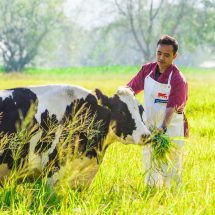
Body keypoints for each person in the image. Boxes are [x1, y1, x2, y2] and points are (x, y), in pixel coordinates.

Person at [127, 35, 188, 188]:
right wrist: (119, 97)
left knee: (171, 166)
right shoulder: (147, 70)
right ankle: (151, 193)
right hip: (150, 126)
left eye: (167, 55)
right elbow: (131, 89)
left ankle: (171, 197)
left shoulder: (178, 79)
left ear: (175, 56)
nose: (161, 58)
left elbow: (172, 107)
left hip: (170, 128)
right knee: (149, 162)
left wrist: (163, 127)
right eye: (159, 53)